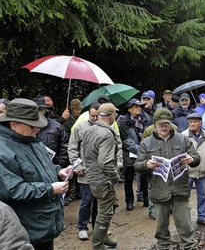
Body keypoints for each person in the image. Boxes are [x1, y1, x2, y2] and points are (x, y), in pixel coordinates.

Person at [0, 98, 70, 249]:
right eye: (33, 126)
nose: (37, 129)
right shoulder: (3, 150)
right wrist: (50, 189)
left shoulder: (31, 140)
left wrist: (59, 171)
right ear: (13, 124)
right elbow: (12, 190)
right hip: (25, 230)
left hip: (43, 224)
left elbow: (42, 167)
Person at [134, 108, 201, 250]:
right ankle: (163, 247)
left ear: (170, 124)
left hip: (180, 189)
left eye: (166, 124)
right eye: (160, 125)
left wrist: (191, 159)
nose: (164, 127)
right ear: (155, 125)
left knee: (185, 224)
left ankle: (190, 247)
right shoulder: (147, 143)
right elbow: (137, 165)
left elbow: (196, 158)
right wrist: (146, 164)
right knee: (161, 227)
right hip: (159, 190)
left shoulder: (182, 139)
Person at [81, 103, 121, 249]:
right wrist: (115, 177)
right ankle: (97, 245)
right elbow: (105, 162)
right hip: (104, 179)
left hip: (92, 177)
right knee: (104, 212)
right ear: (111, 116)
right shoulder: (107, 134)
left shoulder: (89, 130)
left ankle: (103, 238)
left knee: (111, 205)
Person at [68, 102, 101, 241]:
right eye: (92, 115)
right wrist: (77, 166)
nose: (94, 118)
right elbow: (72, 147)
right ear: (88, 113)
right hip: (86, 171)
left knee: (100, 201)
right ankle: (82, 227)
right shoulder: (80, 127)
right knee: (86, 200)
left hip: (101, 172)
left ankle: (99, 227)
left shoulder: (107, 128)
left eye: (97, 116)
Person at [182, 112, 205, 226]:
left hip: (203, 172)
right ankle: (185, 220)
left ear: (200, 123)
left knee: (202, 196)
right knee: (184, 197)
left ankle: (202, 217)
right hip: (187, 173)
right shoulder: (182, 136)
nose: (192, 124)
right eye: (190, 122)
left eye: (195, 122)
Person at [118, 98, 152, 212]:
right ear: (130, 109)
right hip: (130, 154)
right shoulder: (124, 123)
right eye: (136, 106)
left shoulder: (146, 119)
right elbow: (127, 141)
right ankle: (129, 202)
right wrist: (142, 150)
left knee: (145, 176)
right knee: (129, 178)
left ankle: (146, 199)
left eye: (140, 106)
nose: (139, 108)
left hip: (144, 152)